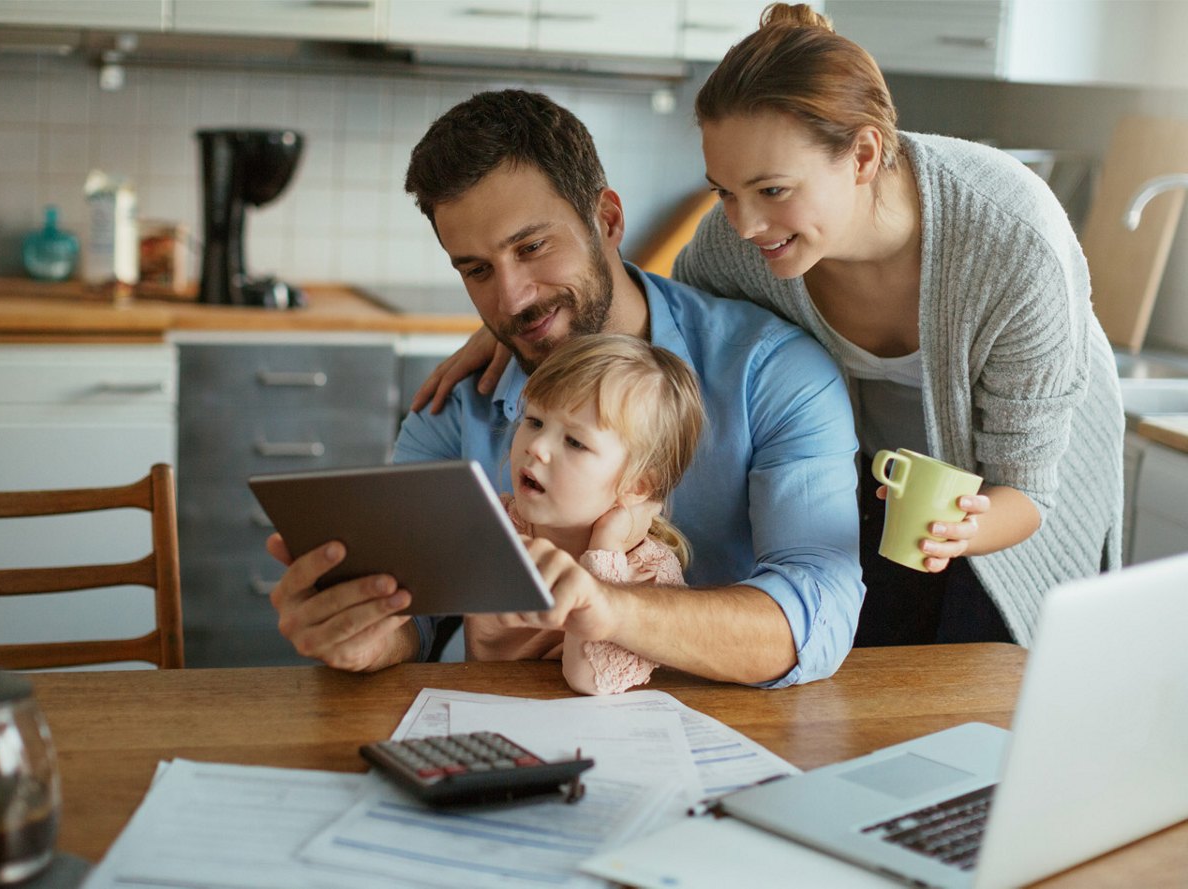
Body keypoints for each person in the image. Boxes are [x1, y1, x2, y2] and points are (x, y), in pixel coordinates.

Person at [266, 88, 864, 688]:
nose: (511, 299)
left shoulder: (773, 373)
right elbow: (413, 611)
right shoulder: (454, 406)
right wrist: (367, 634)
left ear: (606, 220)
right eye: (476, 269)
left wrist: (609, 609)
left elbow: (818, 613)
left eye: (531, 247)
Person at [671, 3, 1124, 645]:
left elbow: (1026, 491)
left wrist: (962, 529)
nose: (744, 223)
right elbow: (661, 326)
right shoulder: (735, 244)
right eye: (724, 191)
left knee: (985, 689)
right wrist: (523, 330)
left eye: (772, 191)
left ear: (862, 154)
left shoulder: (1013, 244)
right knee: (862, 683)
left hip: (1012, 498)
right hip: (879, 486)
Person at [474, 332, 706, 695]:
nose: (536, 447)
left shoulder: (647, 571)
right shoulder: (497, 526)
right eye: (534, 421)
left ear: (637, 486)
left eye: (575, 442)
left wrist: (604, 551)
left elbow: (587, 680)